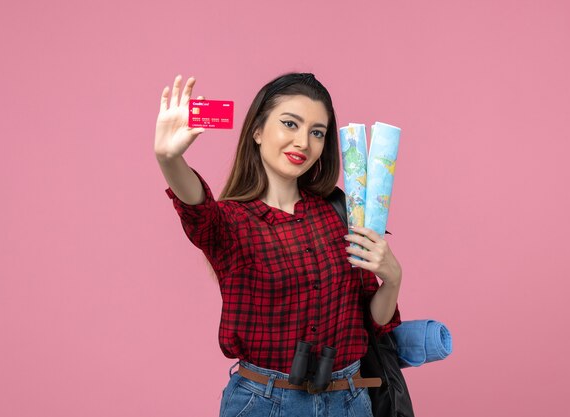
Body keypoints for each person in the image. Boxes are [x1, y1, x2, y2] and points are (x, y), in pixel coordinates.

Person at [155, 72, 403, 417]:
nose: (303, 142)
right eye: (290, 124)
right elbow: (198, 209)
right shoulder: (231, 222)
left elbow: (373, 318)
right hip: (265, 403)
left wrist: (392, 279)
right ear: (257, 131)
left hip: (350, 400)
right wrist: (169, 159)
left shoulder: (342, 212)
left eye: (317, 132)